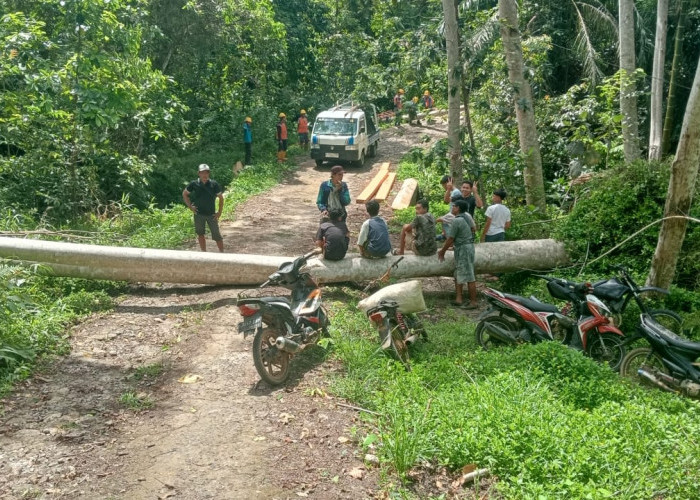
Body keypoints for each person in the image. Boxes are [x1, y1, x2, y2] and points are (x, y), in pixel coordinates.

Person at [438, 199, 478, 308]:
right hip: (466, 247)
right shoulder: (467, 217)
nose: (452, 208)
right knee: (458, 272)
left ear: (458, 208)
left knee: (469, 275)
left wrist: (442, 251)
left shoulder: (457, 220)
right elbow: (474, 229)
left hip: (464, 249)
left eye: (454, 206)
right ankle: (458, 299)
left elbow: (450, 238)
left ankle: (473, 302)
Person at [182, 163, 224, 253]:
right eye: (202, 172)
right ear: (199, 173)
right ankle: (203, 253)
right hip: (199, 214)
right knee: (200, 234)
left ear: (209, 173)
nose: (204, 175)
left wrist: (219, 212)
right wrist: (190, 207)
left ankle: (222, 253)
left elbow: (221, 198)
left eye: (206, 172)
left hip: (211, 215)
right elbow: (185, 194)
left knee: (217, 235)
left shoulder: (214, 184)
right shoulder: (194, 184)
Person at [436, 175, 463, 241]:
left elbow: (446, 201)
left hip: (455, 215)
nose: (443, 187)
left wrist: (448, 189)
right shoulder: (452, 192)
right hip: (452, 214)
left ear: (447, 183)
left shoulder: (456, 192)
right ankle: (445, 236)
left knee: (441, 220)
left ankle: (449, 240)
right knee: (443, 220)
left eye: (443, 185)